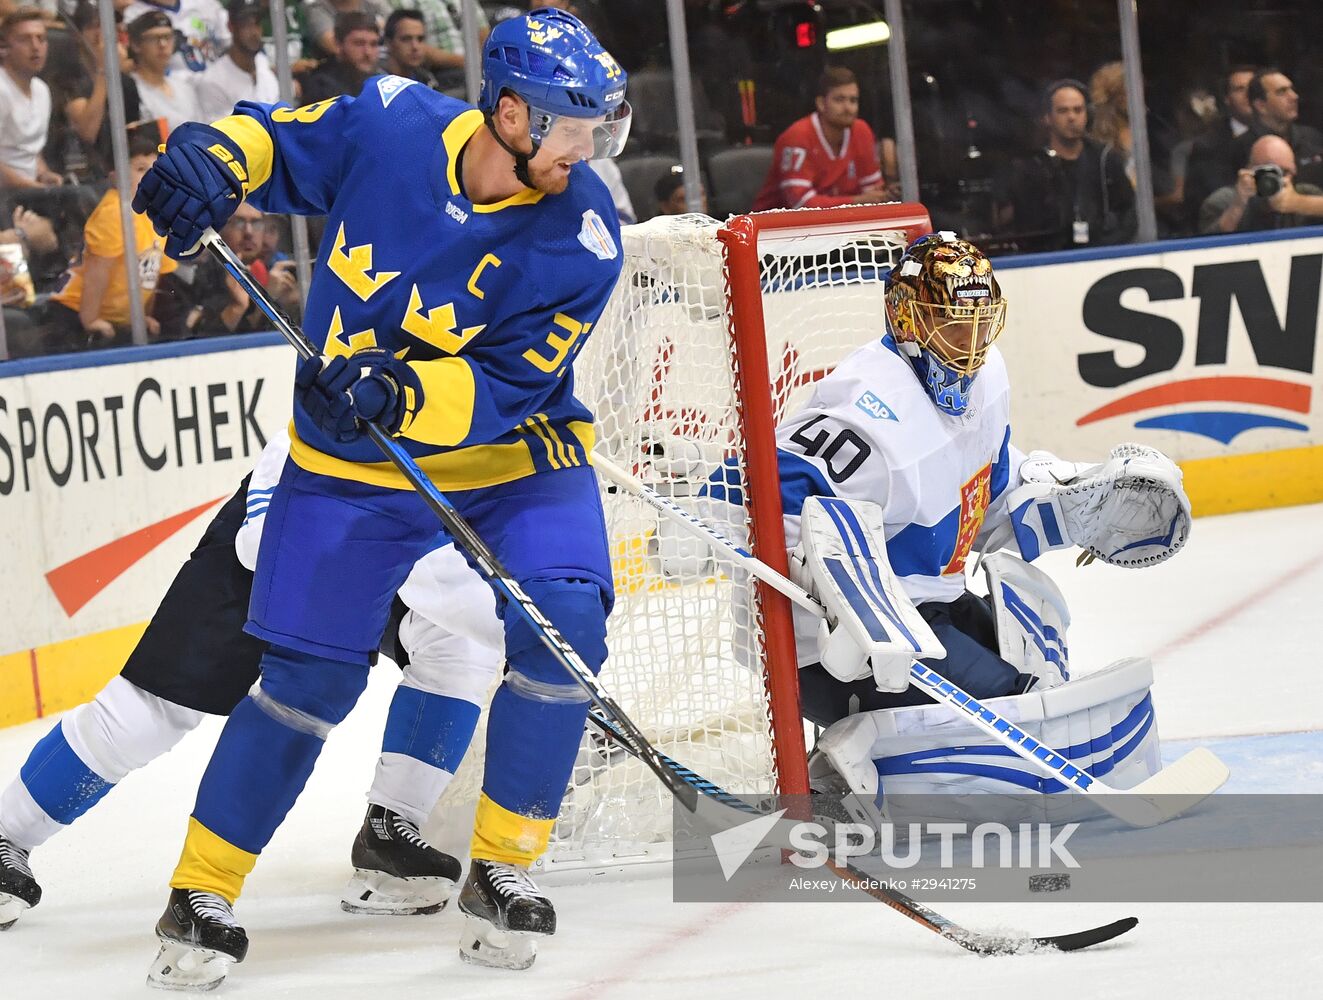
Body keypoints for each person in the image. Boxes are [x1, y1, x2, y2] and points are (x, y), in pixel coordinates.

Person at [131, 6, 630, 985]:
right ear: (511, 112)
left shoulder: (586, 234)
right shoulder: (394, 121)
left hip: (511, 459)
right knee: (309, 679)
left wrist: (402, 390)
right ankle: (200, 894)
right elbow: (274, 142)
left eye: (596, 130)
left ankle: (501, 873)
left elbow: (501, 390)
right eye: (571, 128)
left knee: (566, 620)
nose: (586, 150)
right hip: (347, 461)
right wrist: (211, 159)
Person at [663, 233, 1188, 816]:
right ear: (909, 321)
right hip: (826, 647)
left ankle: (863, 761)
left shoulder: (987, 380)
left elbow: (980, 498)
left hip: (926, 601)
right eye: (951, 327)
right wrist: (709, 516)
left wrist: (1059, 499)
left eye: (980, 325)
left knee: (1034, 678)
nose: (969, 346)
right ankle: (839, 780)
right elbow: (754, 490)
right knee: (1007, 720)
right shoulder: (869, 407)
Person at [0, 430, 503, 932]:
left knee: (461, 646)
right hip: (288, 529)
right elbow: (260, 539)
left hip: (409, 541)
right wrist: (536, 651)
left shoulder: (500, 395)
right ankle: (9, 830)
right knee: (151, 711)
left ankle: (390, 828)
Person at [43, 129, 176, 351]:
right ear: (116, 178)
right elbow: (98, 269)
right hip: (74, 313)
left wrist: (140, 317)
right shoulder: (115, 211)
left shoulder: (157, 214)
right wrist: (90, 319)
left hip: (113, 320)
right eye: (141, 169)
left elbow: (150, 276)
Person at [995, 79, 1135, 252]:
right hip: (1049, 259)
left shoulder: (1105, 159)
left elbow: (1129, 213)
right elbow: (1026, 227)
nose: (1071, 117)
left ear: (1087, 115)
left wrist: (1106, 248)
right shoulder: (1032, 166)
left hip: (1101, 253)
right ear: (1048, 118)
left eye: (1078, 110)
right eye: (1063, 111)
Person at [156, 201, 303, 336]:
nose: (249, 232)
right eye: (239, 222)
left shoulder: (270, 271)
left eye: (256, 223)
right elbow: (197, 348)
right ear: (218, 227)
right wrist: (236, 308)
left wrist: (285, 305)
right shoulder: (194, 278)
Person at [751, 66, 886, 211]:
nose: (848, 108)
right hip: (776, 228)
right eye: (839, 100)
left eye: (853, 100)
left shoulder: (862, 131)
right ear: (821, 104)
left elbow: (873, 194)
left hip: (837, 226)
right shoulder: (797, 137)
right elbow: (800, 204)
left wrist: (882, 196)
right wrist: (857, 201)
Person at [1198, 133, 1323, 235]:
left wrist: (1298, 203)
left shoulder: (1305, 194)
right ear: (1250, 170)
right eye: (1270, 171)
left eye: (1284, 172)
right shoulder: (1224, 201)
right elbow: (1206, 249)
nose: (1276, 179)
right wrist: (1238, 206)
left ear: (1294, 171)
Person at [1183, 65, 1257, 228]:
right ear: (1226, 98)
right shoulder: (1207, 145)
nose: (1248, 95)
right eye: (1239, 89)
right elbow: (1200, 203)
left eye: (1252, 88)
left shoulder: (1286, 137)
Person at [0, 7, 63, 189]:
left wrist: (43, 174)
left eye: (41, 38)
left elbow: (31, 151)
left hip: (31, 190)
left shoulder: (42, 90)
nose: (35, 46)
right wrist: (31, 187)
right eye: (24, 39)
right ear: (4, 48)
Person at [193, 0, 281, 124]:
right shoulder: (212, 81)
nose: (254, 32)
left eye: (257, 23)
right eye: (246, 25)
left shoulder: (262, 63)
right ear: (230, 27)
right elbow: (224, 137)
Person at [1236, 67, 1323, 188]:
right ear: (1261, 105)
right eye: (1282, 92)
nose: (1294, 96)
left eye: (1292, 89)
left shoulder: (1313, 137)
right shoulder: (1241, 148)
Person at [127, 9, 203, 134]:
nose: (163, 44)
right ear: (135, 44)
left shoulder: (184, 87)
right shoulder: (131, 90)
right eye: (154, 38)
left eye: (167, 37)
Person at [123, 0, 231, 74]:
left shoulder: (205, 3)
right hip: (170, 90)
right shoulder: (134, 15)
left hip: (215, 83)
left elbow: (229, 43)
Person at [297, 11, 381, 104]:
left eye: (373, 44)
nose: (368, 52)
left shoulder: (382, 82)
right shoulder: (321, 86)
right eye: (359, 43)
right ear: (338, 44)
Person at [303, 0, 388, 59]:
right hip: (337, 73)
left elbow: (396, 29)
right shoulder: (318, 9)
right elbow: (334, 45)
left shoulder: (375, 3)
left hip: (382, 66)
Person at [381, 7, 440, 89]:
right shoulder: (377, 84)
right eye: (406, 39)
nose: (415, 47)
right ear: (388, 43)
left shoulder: (427, 80)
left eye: (420, 39)